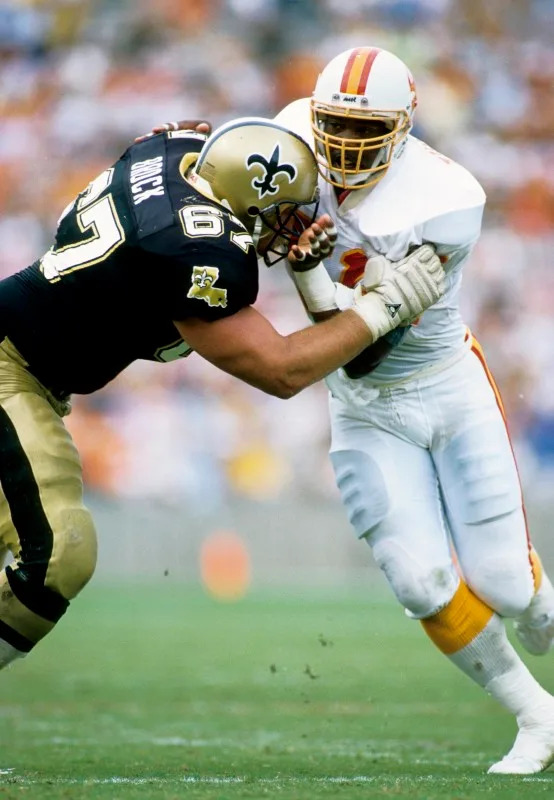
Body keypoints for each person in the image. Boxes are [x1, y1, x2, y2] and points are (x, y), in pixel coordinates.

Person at [0, 117, 445, 673]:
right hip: (9, 367)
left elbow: (175, 139)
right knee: (59, 555)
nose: (290, 230)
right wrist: (384, 307)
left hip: (25, 364)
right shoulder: (197, 251)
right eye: (282, 214)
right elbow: (282, 371)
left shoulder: (176, 155)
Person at [271, 47, 554, 774]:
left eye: (365, 129)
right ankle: (538, 716)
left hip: (444, 385)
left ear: (403, 127)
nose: (343, 144)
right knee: (419, 580)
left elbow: (362, 348)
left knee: (506, 586)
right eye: (334, 124)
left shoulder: (445, 199)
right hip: (364, 411)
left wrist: (309, 274)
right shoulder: (288, 142)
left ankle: (540, 602)